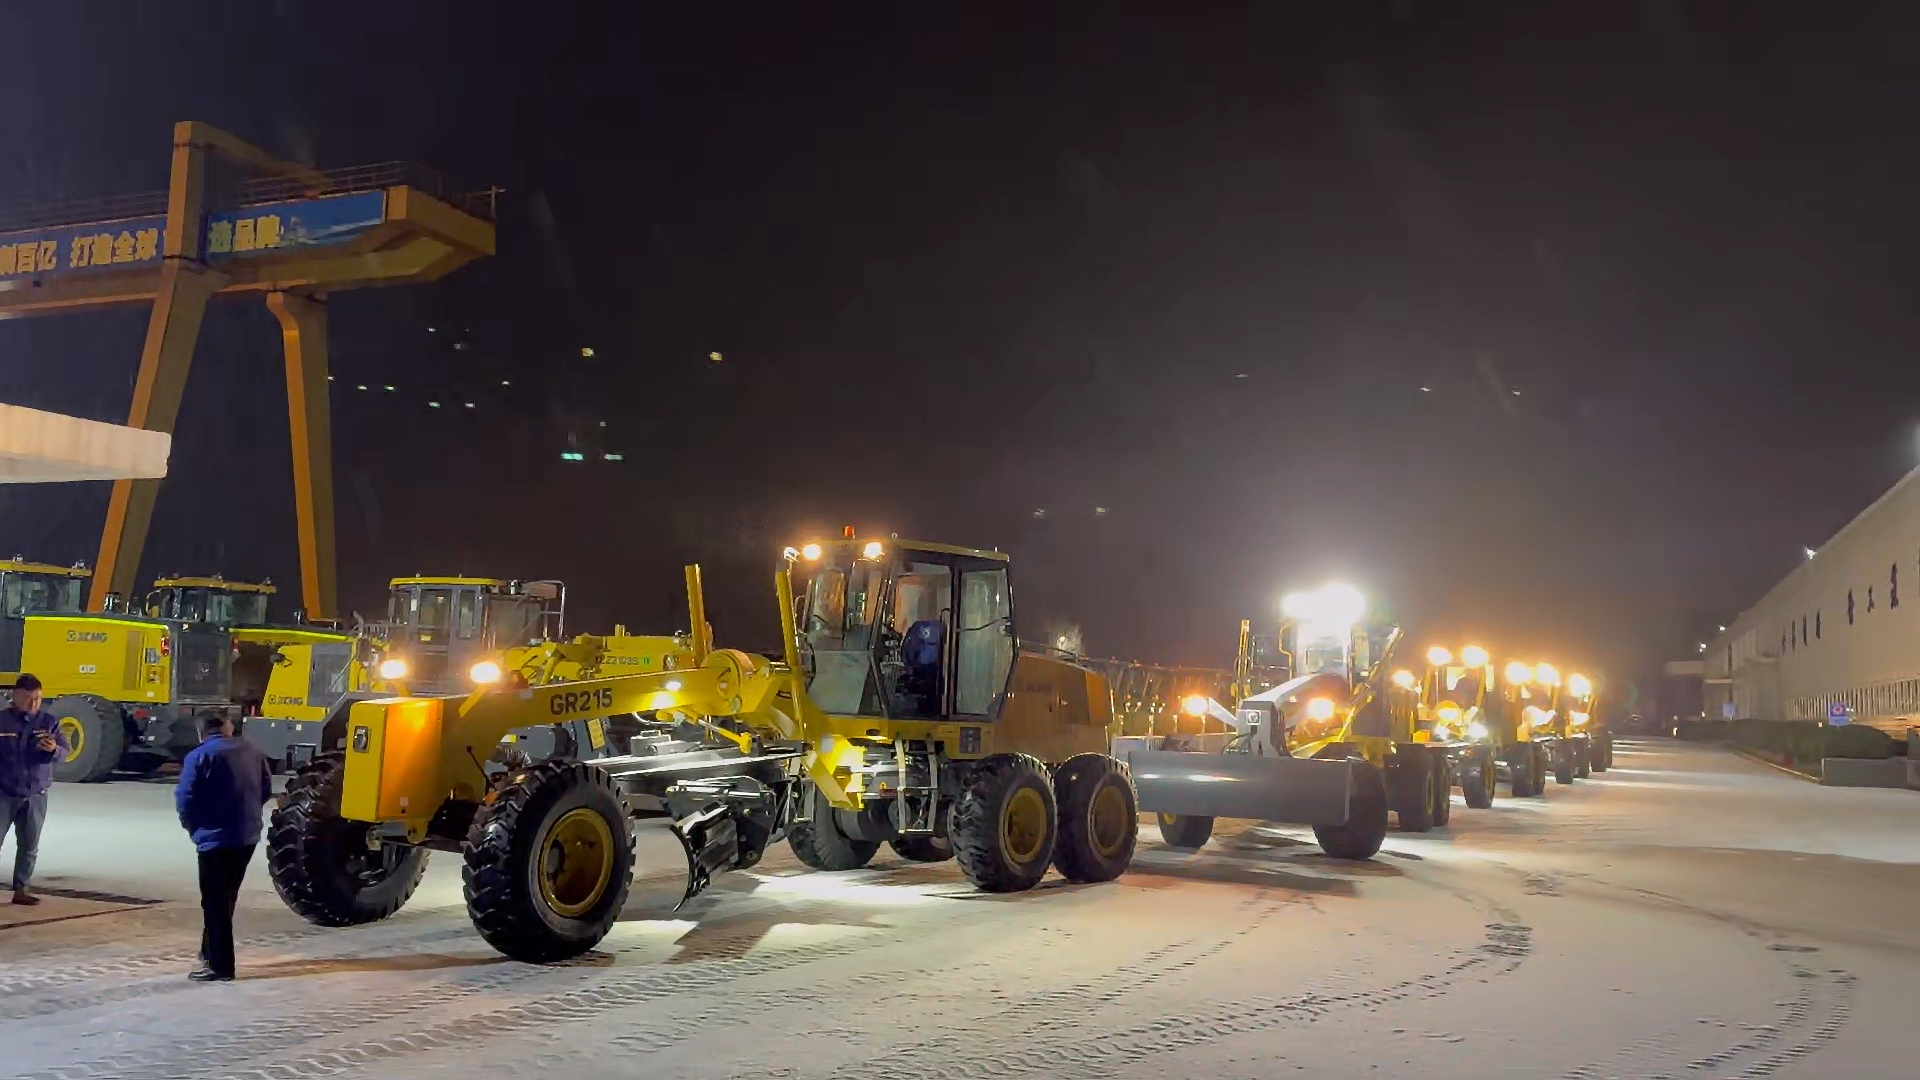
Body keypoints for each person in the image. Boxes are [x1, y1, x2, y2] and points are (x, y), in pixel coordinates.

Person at [174, 712, 272, 982]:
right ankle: (209, 951)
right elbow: (265, 788)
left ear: (200, 733)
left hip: (214, 840)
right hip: (247, 836)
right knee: (227, 896)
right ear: (228, 728)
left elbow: (185, 798)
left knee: (215, 902)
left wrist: (194, 828)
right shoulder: (252, 750)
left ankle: (220, 966)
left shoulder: (199, 756)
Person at [0, 674, 65, 906]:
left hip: (35, 794)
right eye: (28, 698)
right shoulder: (3, 721)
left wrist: (54, 749)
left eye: (37, 699)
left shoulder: (48, 722)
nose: (33, 704)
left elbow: (64, 752)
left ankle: (21, 889)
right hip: (4, 792)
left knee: (29, 845)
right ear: (15, 696)